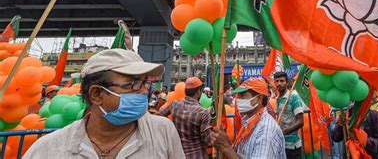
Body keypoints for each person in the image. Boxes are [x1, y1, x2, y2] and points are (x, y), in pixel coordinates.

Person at [23, 49, 185, 158]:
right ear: (96, 94)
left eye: (144, 83)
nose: (144, 91)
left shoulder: (163, 133)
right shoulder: (48, 150)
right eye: (133, 84)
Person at [210, 77, 286, 158]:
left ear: (259, 98)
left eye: (243, 96)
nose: (238, 100)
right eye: (238, 96)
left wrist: (226, 148)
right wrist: (225, 142)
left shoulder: (266, 131)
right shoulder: (248, 120)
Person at [157, 77, 212, 159]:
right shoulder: (203, 112)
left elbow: (158, 117)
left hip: (177, 154)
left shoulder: (174, 104)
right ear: (198, 92)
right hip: (197, 155)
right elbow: (207, 142)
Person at [274, 71, 304, 159]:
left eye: (282, 81)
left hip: (293, 145)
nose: (279, 83)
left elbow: (300, 122)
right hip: (281, 144)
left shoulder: (294, 97)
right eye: (276, 81)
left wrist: (283, 132)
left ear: (287, 82)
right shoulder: (276, 99)